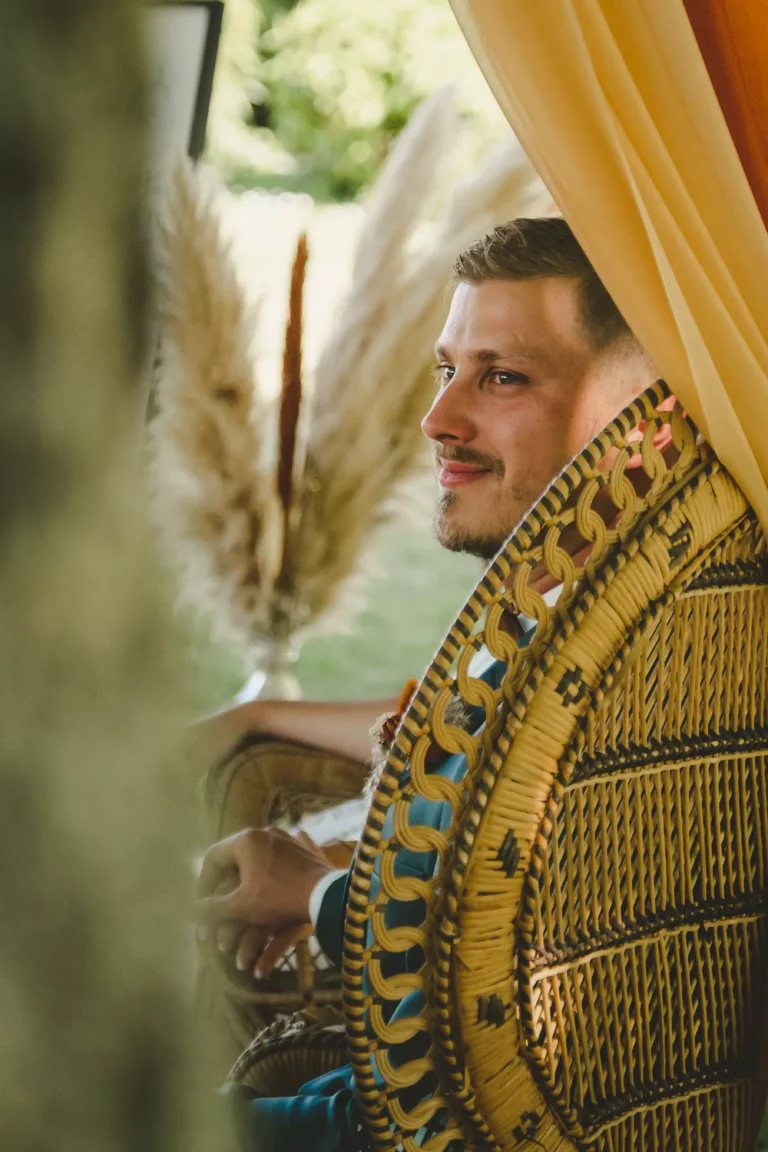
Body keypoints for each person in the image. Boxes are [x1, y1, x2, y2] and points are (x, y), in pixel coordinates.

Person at [195, 217, 672, 1150]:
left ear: (631, 404)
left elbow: (540, 978)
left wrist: (321, 896)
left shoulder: (651, 659)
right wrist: (262, 720)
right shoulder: (577, 609)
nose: (438, 420)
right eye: (447, 369)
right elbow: (469, 738)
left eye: (502, 377)